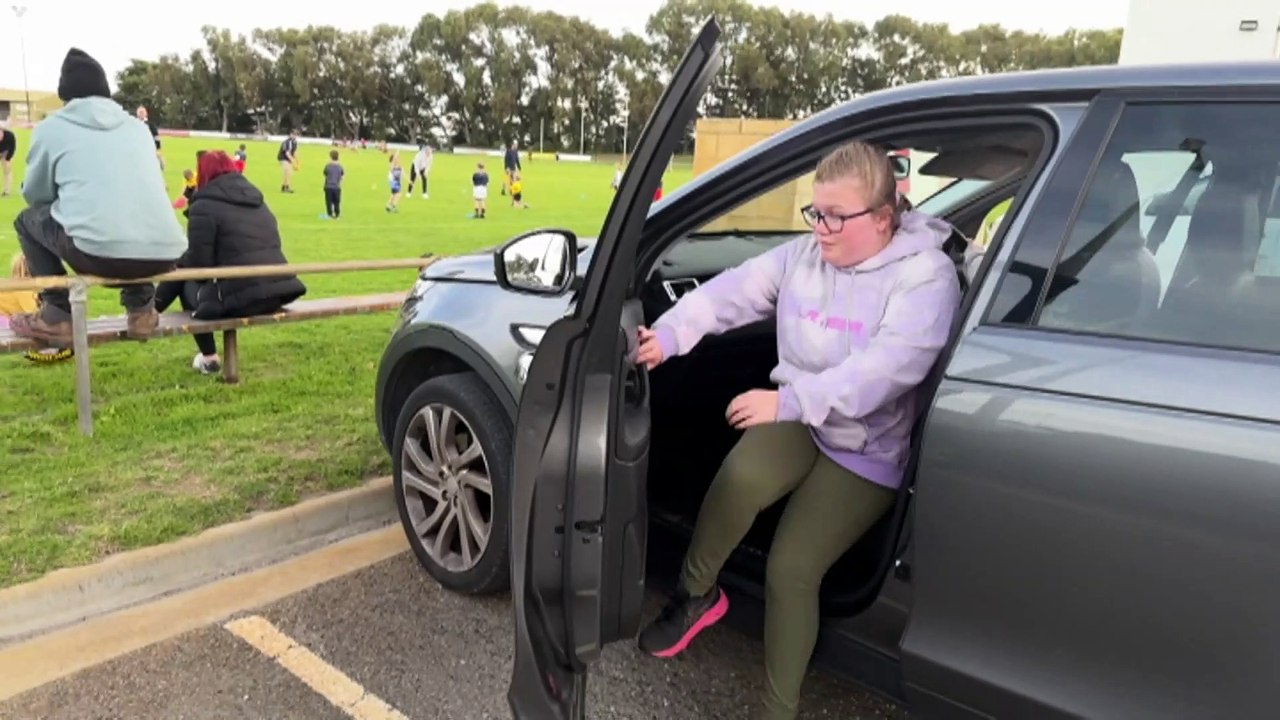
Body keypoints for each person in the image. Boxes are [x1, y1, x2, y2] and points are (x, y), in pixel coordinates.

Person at [633, 140, 961, 720]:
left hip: (866, 447)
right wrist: (670, 335)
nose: (822, 229)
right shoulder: (804, 256)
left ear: (884, 219)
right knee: (740, 476)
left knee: (791, 569)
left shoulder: (926, 277)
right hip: (803, 421)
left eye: (838, 216)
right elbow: (730, 291)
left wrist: (787, 401)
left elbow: (882, 373)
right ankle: (696, 593)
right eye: (815, 213)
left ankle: (777, 710)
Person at [8, 48, 187, 347]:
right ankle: (142, 310)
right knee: (129, 215)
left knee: (26, 221)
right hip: (164, 254)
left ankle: (55, 313)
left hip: (98, 252)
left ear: (65, 96)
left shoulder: (52, 128)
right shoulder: (139, 129)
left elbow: (35, 196)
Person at [154, 150, 306, 375]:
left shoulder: (203, 207)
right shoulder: (258, 201)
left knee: (184, 278)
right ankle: (152, 309)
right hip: (276, 292)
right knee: (186, 270)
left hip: (244, 297)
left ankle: (206, 355)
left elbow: (199, 269)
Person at [0, 253, 73, 363]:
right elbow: (33, 313)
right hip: (3, 319)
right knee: (33, 326)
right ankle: (47, 350)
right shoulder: (24, 289)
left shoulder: (17, 286)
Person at [136, 106, 162, 170]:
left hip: (149, 147)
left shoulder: (151, 125)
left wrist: (158, 148)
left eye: (142, 112)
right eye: (140, 112)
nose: (141, 114)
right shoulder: (133, 124)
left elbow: (156, 137)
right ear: (137, 114)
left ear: (146, 114)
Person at [323, 149, 344, 219]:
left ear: (330, 157)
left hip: (328, 186)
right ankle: (337, 214)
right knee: (337, 202)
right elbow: (342, 177)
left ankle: (330, 214)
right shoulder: (340, 167)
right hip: (337, 187)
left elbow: (325, 174)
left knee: (328, 201)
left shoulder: (328, 166)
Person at [0, 125, 15, 196]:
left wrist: (8, 158)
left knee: (7, 171)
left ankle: (6, 191)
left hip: (6, 153)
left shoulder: (9, 135)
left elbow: (13, 147)